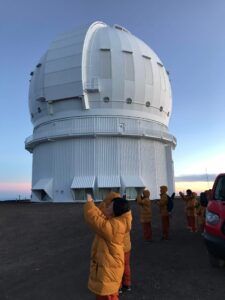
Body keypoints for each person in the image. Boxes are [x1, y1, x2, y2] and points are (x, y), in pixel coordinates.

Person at [84, 194, 132, 300]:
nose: (107, 207)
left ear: (116, 210)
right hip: (108, 266)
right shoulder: (115, 221)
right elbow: (101, 216)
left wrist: (89, 202)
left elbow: (95, 220)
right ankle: (126, 283)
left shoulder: (116, 226)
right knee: (106, 294)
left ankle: (127, 283)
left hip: (109, 268)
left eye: (110, 206)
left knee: (109, 296)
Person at [98, 192, 132, 293]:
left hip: (117, 247)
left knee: (117, 267)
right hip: (126, 246)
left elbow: (99, 213)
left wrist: (104, 202)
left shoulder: (113, 214)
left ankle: (119, 286)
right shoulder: (126, 212)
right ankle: (128, 283)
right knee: (126, 265)